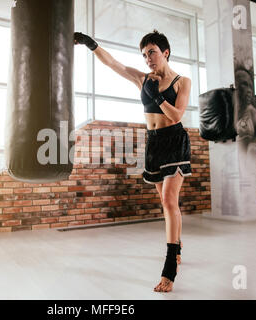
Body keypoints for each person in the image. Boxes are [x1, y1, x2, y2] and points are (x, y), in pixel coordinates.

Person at [74, 30, 192, 293]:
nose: (147, 59)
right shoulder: (142, 79)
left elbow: (175, 116)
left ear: (165, 52)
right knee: (165, 202)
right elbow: (113, 63)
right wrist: (89, 42)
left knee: (169, 201)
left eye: (151, 52)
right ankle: (178, 244)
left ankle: (170, 268)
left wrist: (157, 95)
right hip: (154, 143)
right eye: (143, 54)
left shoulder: (183, 82)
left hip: (174, 141)